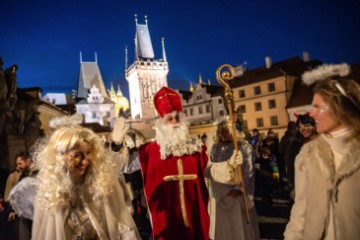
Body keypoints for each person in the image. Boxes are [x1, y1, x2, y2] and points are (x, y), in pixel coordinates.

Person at [30, 116, 140, 239]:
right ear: (61, 157)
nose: (86, 161)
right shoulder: (50, 191)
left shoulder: (100, 181)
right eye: (77, 155)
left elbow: (114, 166)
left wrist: (116, 146)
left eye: (89, 153)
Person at [284, 63, 360, 239]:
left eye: (318, 107)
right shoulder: (308, 154)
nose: (312, 113)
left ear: (340, 106)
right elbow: (300, 210)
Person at [138, 87, 211, 240]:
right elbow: (123, 167)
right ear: (161, 123)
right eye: (170, 119)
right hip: (167, 220)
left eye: (178, 117)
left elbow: (212, 175)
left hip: (195, 217)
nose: (176, 122)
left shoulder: (197, 148)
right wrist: (117, 146)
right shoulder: (149, 151)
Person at [207, 119, 260, 240]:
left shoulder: (244, 147)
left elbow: (248, 171)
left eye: (226, 131)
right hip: (222, 195)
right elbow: (214, 169)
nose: (223, 134)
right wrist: (221, 190)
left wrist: (238, 188)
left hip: (238, 194)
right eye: (221, 132)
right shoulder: (216, 148)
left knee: (240, 228)